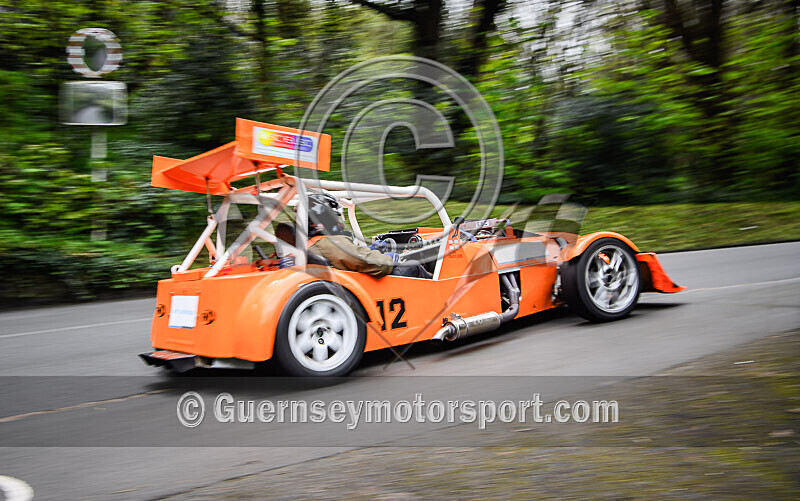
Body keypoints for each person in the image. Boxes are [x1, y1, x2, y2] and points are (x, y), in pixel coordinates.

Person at [298, 191, 432, 279]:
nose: (339, 223)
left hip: (346, 285)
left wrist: (370, 250)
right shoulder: (330, 243)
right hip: (370, 292)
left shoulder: (308, 245)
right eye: (337, 218)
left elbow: (351, 259)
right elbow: (377, 264)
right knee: (412, 265)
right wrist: (392, 258)